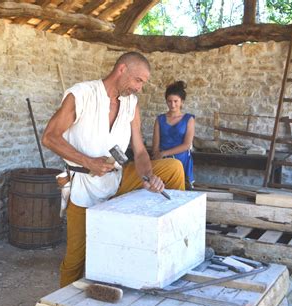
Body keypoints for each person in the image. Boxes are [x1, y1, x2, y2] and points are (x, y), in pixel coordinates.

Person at [41, 52, 186, 288]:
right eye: (138, 80)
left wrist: (148, 176)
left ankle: (171, 243)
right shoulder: (82, 95)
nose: (140, 88)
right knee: (76, 258)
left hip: (117, 179)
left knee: (173, 168)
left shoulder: (131, 104)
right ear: (122, 70)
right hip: (83, 184)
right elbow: (49, 137)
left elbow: (139, 152)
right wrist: (88, 162)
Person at [152, 81, 195, 188]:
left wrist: (164, 153)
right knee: (160, 189)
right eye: (169, 101)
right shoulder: (159, 119)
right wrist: (158, 156)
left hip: (181, 159)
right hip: (163, 160)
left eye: (176, 101)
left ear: (182, 102)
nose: (172, 104)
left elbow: (186, 145)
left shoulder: (188, 119)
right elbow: (155, 145)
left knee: (180, 190)